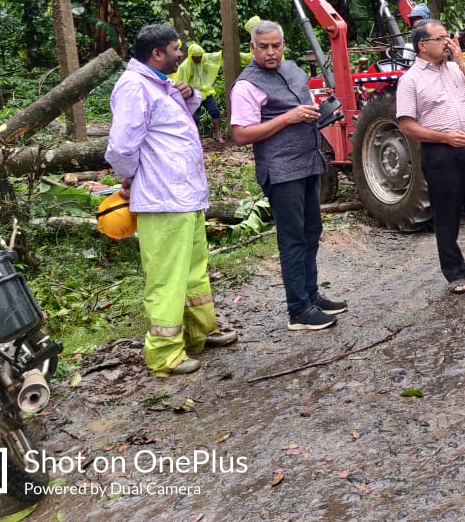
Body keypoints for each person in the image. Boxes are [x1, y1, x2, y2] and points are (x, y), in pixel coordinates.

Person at [105, 23, 238, 376]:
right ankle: (164, 353)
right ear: (156, 54)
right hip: (162, 198)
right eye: (175, 49)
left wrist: (190, 95)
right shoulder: (134, 87)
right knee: (166, 277)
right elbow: (121, 147)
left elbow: (176, 123)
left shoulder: (160, 84)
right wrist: (130, 178)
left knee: (193, 272)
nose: (180, 54)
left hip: (186, 196)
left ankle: (199, 332)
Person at [230, 20, 347, 331]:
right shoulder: (246, 85)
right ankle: (298, 309)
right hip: (280, 170)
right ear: (252, 48)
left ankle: (311, 296)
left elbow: (303, 109)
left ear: (283, 45)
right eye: (263, 47)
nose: (270, 52)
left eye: (275, 45)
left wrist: (320, 113)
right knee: (292, 238)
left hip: (308, 161)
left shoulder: (293, 70)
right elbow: (240, 135)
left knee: (311, 230)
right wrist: (287, 118)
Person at [395, 19, 465, 294]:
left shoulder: (457, 69)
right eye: (441, 38)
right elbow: (406, 125)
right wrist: (444, 137)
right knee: (447, 214)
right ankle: (455, 274)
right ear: (422, 45)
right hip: (440, 151)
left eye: (448, 37)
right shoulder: (410, 80)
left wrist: (461, 62)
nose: (448, 42)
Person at [175, 43, 223, 142]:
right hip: (194, 95)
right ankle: (196, 138)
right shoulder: (184, 67)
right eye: (196, 58)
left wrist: (223, 49)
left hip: (206, 92)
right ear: (191, 56)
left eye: (200, 57)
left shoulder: (205, 59)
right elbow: (180, 80)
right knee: (195, 118)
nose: (198, 59)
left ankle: (218, 134)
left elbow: (217, 56)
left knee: (215, 112)